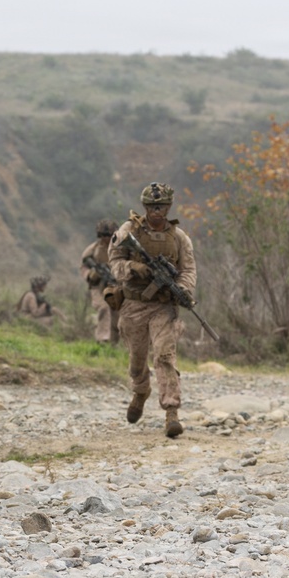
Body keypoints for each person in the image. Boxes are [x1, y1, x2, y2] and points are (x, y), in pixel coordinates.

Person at [108, 182, 196, 438]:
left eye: (162, 206)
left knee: (164, 356)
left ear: (169, 207)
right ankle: (140, 390)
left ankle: (171, 413)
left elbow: (189, 269)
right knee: (137, 359)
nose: (157, 211)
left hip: (163, 306)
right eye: (152, 207)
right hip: (134, 303)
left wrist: (182, 289)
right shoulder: (128, 231)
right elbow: (114, 263)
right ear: (145, 207)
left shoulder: (179, 237)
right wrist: (134, 269)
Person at [80, 219, 120, 344]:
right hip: (97, 286)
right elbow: (84, 265)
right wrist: (91, 274)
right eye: (102, 235)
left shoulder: (120, 249)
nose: (105, 238)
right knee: (103, 307)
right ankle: (102, 339)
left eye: (108, 235)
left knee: (116, 315)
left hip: (115, 286)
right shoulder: (93, 249)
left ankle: (112, 344)